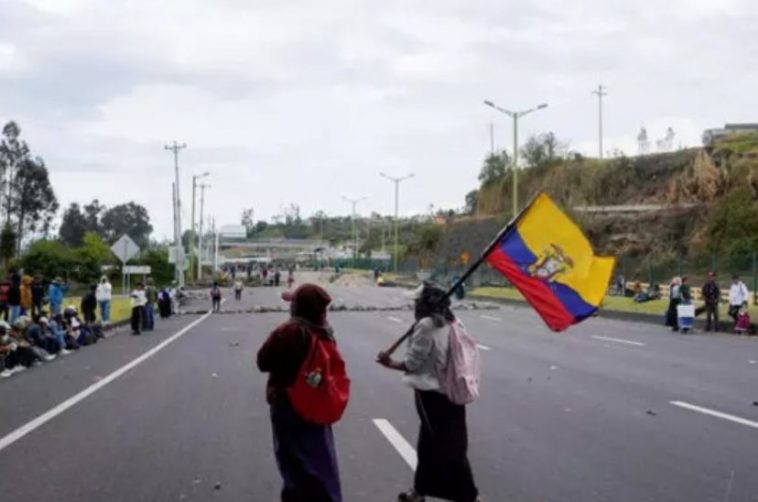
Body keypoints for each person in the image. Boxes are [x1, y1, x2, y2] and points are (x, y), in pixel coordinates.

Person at [377, 282, 480, 502]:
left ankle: (469, 496)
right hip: (451, 390)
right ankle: (419, 490)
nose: (414, 305)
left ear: (424, 303)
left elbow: (412, 363)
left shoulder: (426, 325)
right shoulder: (453, 321)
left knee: (449, 446)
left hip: (432, 394)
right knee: (430, 443)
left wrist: (389, 363)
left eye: (417, 301)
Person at [257, 284, 344, 502]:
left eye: (293, 302)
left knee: (293, 463)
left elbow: (263, 361)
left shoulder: (289, 331)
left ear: (298, 307)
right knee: (320, 459)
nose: (290, 307)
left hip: (288, 405)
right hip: (316, 404)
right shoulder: (325, 331)